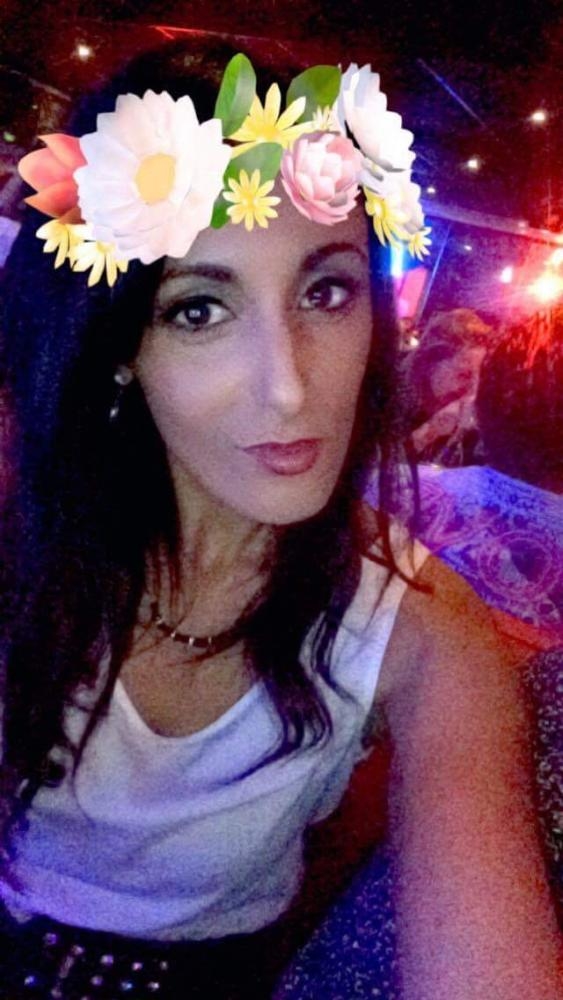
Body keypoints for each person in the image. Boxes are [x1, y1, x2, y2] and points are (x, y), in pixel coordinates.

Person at [0, 39, 561, 1000]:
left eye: (324, 291)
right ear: (120, 346)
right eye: (198, 310)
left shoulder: (425, 639)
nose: (291, 387)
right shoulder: (29, 531)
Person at [403, 308, 493, 466]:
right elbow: (373, 468)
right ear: (430, 364)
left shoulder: (468, 422)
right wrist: (432, 430)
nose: (473, 390)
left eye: (480, 378)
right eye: (464, 375)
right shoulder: (385, 396)